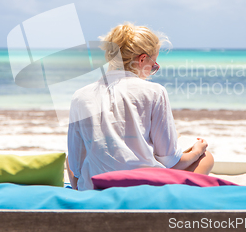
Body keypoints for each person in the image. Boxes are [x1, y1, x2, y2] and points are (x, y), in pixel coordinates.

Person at [66, 23, 214, 190]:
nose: (152, 70)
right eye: (154, 66)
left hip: (96, 187)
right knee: (206, 157)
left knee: (71, 158)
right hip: (143, 187)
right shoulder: (155, 91)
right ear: (142, 59)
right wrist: (196, 151)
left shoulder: (80, 96)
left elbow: (76, 166)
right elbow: (170, 161)